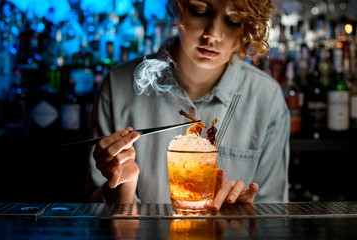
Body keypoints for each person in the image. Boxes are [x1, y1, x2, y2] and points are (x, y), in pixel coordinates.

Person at [86, 0, 290, 211]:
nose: (213, 34)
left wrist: (243, 214)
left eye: (233, 20)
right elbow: (96, 215)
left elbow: (274, 212)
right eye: (200, 11)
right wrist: (123, 186)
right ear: (178, 8)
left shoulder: (266, 97)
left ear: (248, 26)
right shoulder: (118, 87)